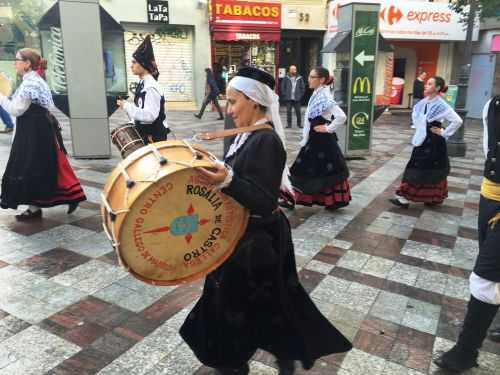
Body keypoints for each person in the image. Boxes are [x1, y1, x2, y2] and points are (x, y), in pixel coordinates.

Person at [180, 67, 352, 375]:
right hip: (244, 238)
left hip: (257, 242)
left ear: (254, 101)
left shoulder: (266, 141)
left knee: (236, 308)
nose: (229, 110)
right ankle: (274, 357)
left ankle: (234, 364)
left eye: (234, 102)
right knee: (264, 306)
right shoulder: (244, 135)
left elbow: (262, 200)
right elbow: (238, 175)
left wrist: (227, 179)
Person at [434, 96, 500, 372]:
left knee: (485, 275)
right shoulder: (492, 105)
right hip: (491, 196)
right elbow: (490, 153)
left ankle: (466, 350)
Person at [0, 48, 86, 220]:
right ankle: (37, 206)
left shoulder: (31, 83)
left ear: (27, 63)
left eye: (17, 59)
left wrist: (1, 97)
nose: (14, 62)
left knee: (31, 167)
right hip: (37, 130)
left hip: (33, 133)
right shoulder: (34, 80)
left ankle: (35, 208)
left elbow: (16, 110)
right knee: (39, 166)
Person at [390, 76, 463, 208]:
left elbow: (458, 120)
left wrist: (443, 132)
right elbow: (418, 121)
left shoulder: (441, 104)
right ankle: (430, 197)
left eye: (430, 84)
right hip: (422, 141)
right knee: (419, 167)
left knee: (426, 168)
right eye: (426, 83)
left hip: (434, 142)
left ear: (437, 88)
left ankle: (408, 198)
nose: (426, 86)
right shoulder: (423, 103)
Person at [289, 67, 351, 211]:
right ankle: (328, 200)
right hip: (315, 139)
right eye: (309, 76)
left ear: (322, 80)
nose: (309, 80)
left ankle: (291, 197)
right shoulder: (318, 93)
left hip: (322, 140)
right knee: (318, 169)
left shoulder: (325, 97)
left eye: (312, 77)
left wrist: (328, 128)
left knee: (306, 168)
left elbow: (342, 116)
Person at [117, 35, 168, 144]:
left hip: (154, 138)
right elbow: (141, 108)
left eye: (134, 62)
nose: (131, 66)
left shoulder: (150, 88)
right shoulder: (143, 83)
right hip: (146, 135)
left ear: (144, 64)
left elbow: (150, 116)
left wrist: (126, 106)